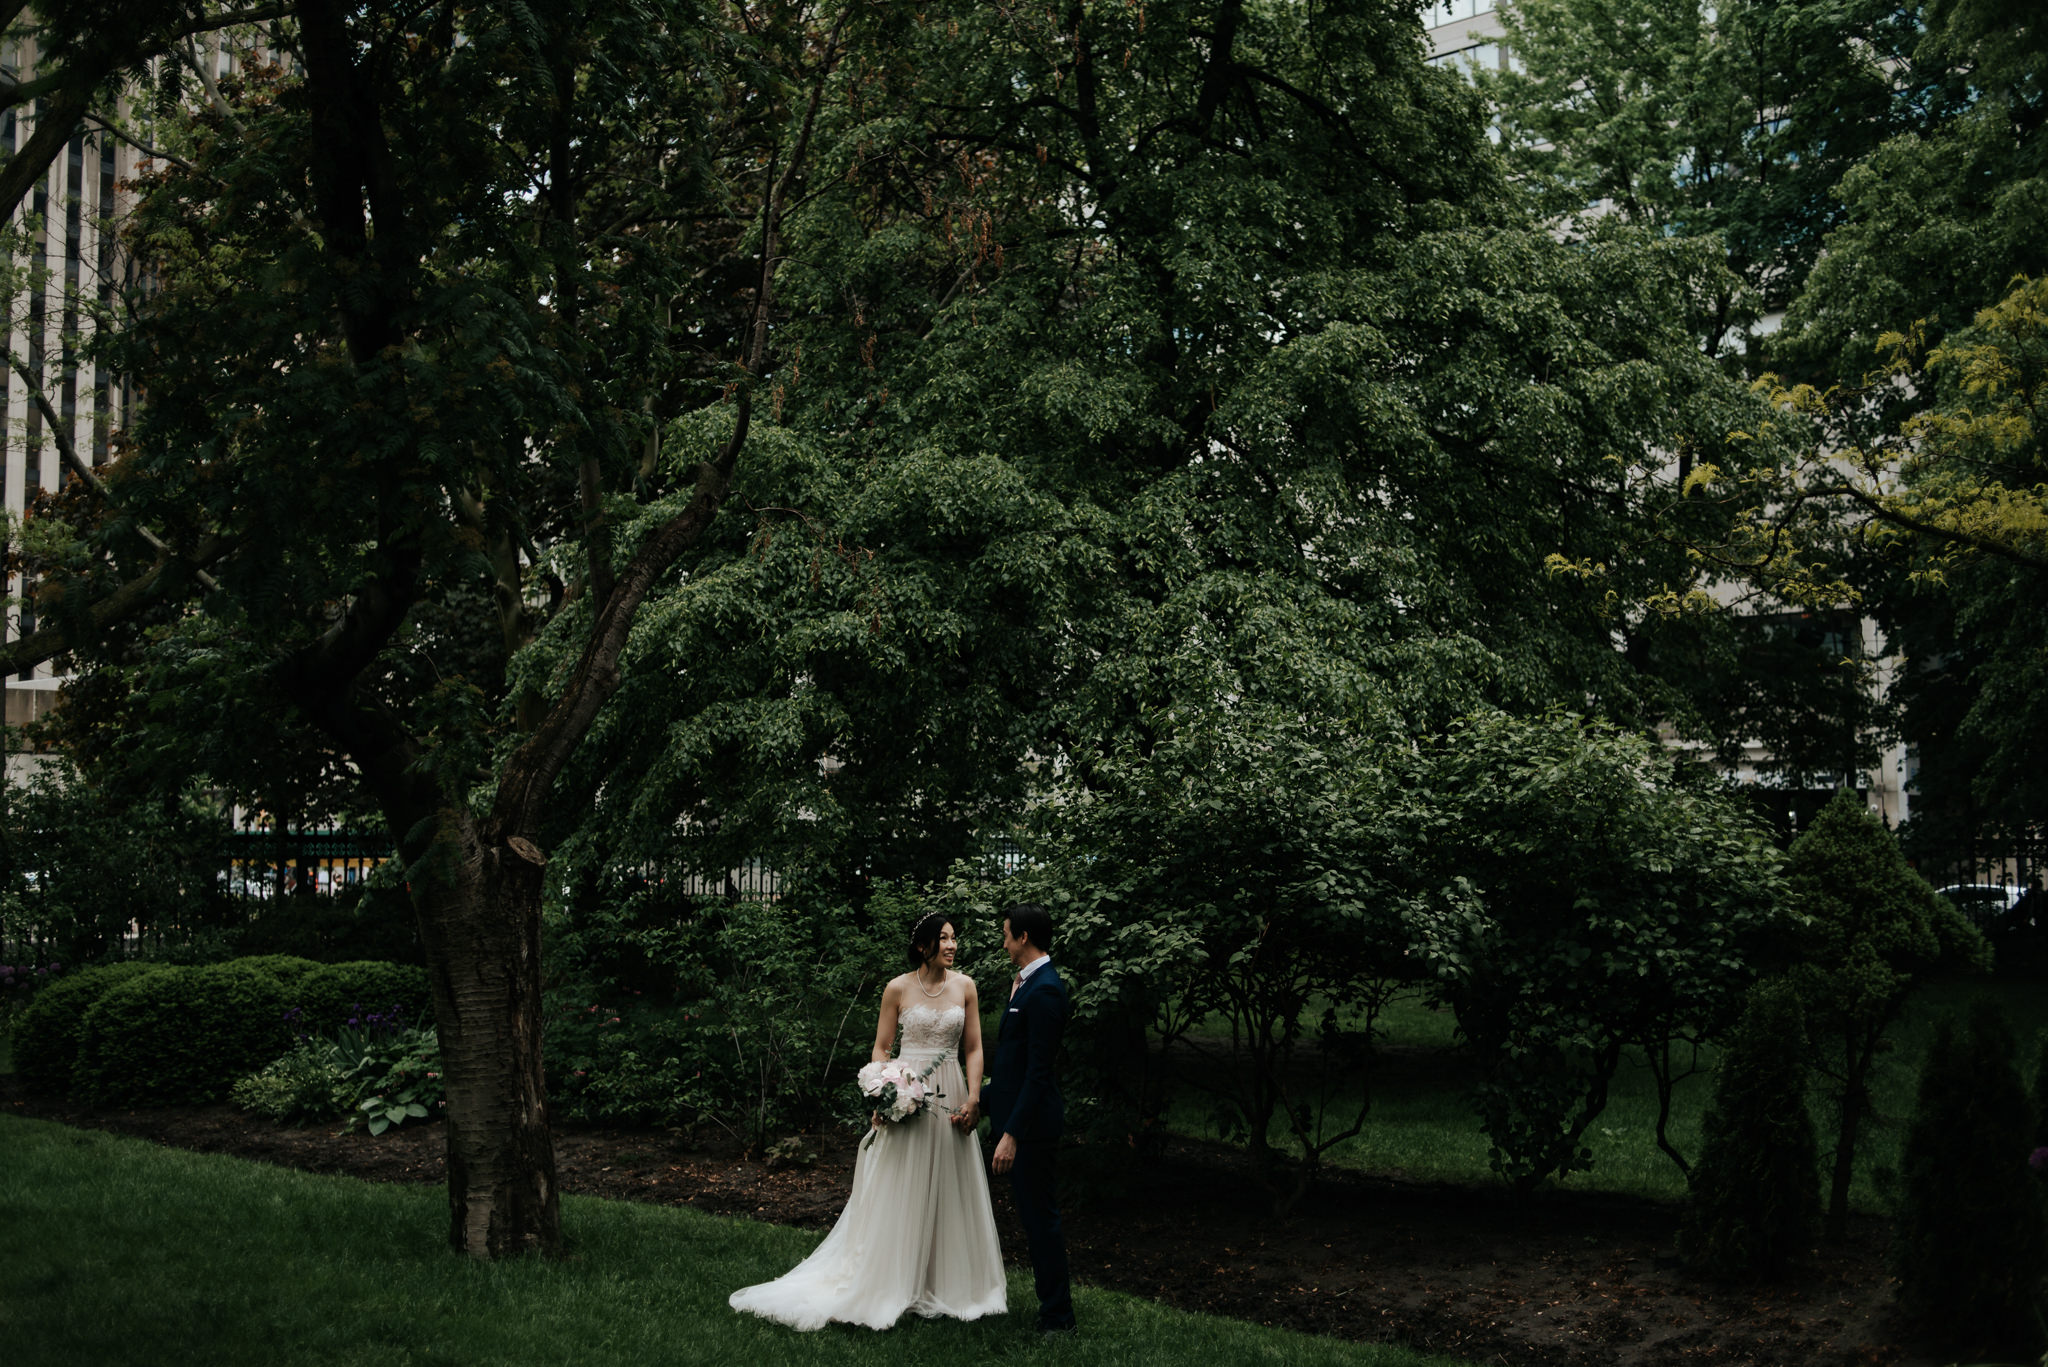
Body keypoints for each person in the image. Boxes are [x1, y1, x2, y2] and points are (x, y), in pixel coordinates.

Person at [728, 912, 1006, 1330]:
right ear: (922, 946)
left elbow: (974, 1048)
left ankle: (950, 1283)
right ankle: (893, 1279)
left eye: (953, 939)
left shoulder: (966, 987)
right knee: (902, 1185)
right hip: (908, 1097)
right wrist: (887, 1087)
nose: (952, 946)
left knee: (951, 1186)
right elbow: (881, 1047)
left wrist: (973, 1097)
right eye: (944, 939)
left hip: (951, 1096)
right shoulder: (897, 988)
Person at [982, 901, 1076, 1334]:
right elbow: (1011, 1068)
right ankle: (1052, 1309)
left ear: (1023, 938)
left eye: (1006, 934)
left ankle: (1057, 1317)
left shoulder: (1046, 990)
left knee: (1041, 1222)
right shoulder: (1024, 984)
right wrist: (980, 1104)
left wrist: (1012, 1134)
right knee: (1034, 1219)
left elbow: (1038, 1074)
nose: (1003, 942)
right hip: (1015, 1119)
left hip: (1033, 1129)